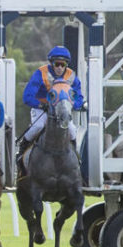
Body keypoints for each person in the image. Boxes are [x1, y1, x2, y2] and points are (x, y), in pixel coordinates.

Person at [17, 45, 84, 174]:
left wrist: (73, 105)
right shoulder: (40, 73)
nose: (59, 68)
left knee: (72, 130)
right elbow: (27, 97)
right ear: (51, 63)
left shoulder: (71, 76)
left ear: (66, 65)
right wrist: (41, 105)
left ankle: (76, 157)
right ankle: (22, 150)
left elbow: (79, 97)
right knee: (38, 126)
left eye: (63, 64)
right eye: (57, 64)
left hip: (62, 111)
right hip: (42, 109)